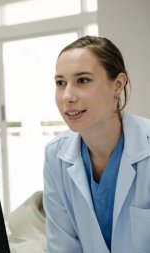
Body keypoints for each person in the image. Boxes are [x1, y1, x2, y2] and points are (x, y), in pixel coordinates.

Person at [43, 35, 150, 253]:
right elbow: (62, 247)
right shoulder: (55, 156)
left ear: (118, 85)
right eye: (60, 83)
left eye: (82, 80)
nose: (67, 96)